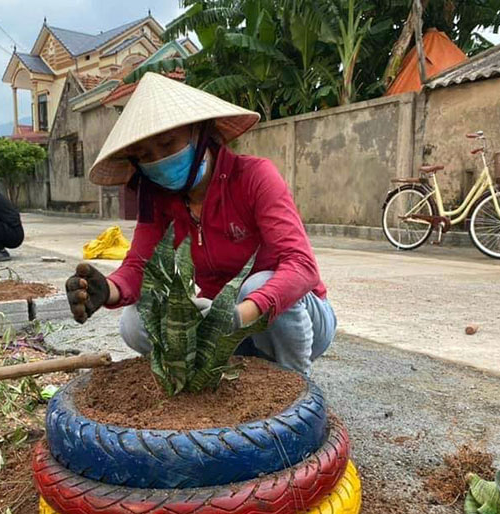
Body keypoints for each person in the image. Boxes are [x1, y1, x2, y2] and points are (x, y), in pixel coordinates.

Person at [65, 73, 336, 376]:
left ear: (201, 133)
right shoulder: (160, 199)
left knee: (256, 285)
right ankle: (205, 378)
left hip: (292, 320)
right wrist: (108, 289)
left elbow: (301, 266)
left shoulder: (255, 177)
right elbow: (141, 267)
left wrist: (239, 314)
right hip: (225, 324)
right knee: (135, 321)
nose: (158, 161)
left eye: (167, 143)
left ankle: (297, 391)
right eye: (145, 156)